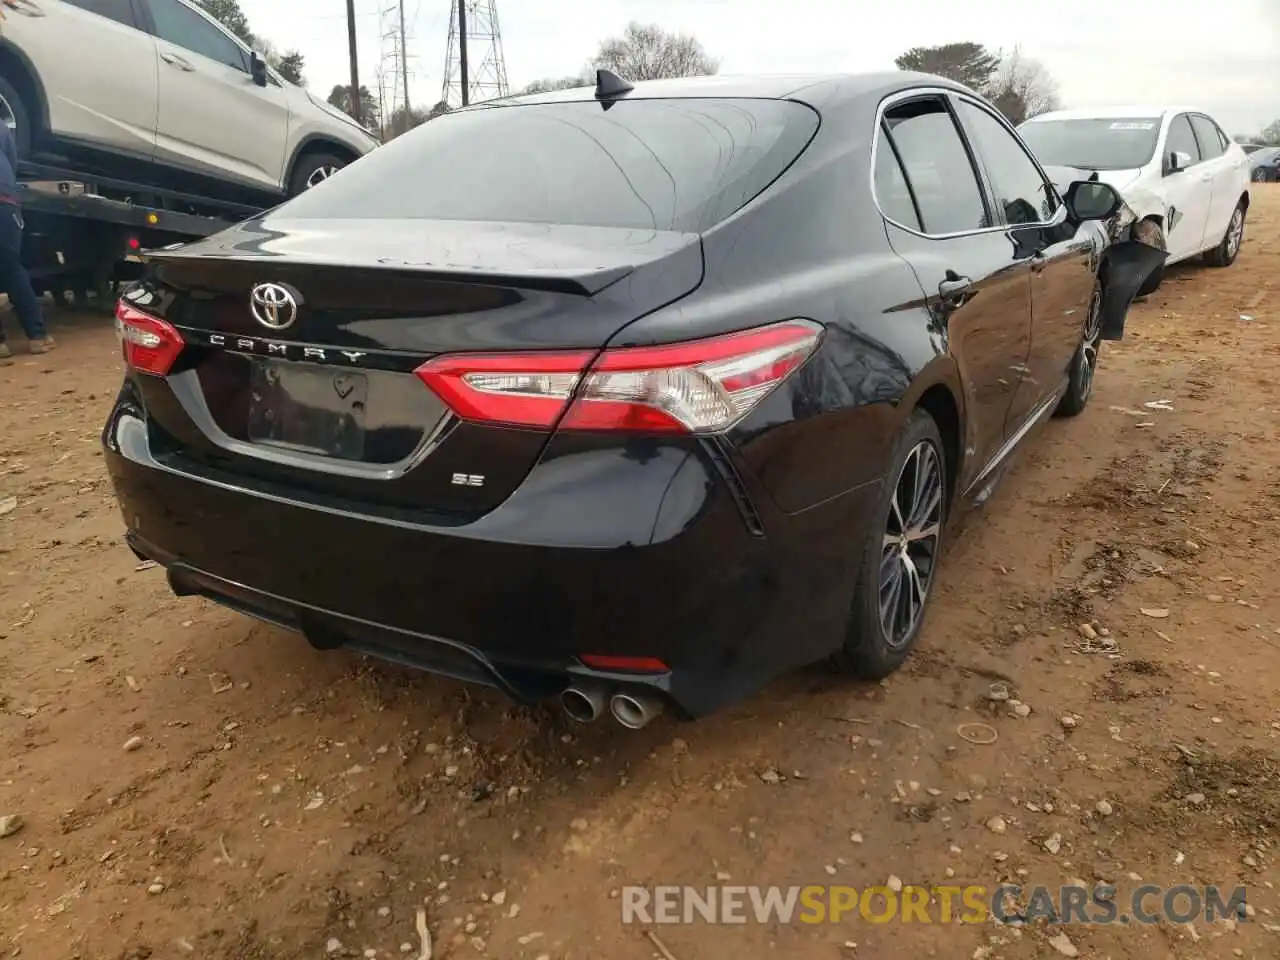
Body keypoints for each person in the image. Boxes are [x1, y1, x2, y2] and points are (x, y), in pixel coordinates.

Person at [0, 115, 53, 364]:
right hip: (4, 202)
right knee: (12, 268)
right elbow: (11, 160)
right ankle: (37, 336)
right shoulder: (1, 127)